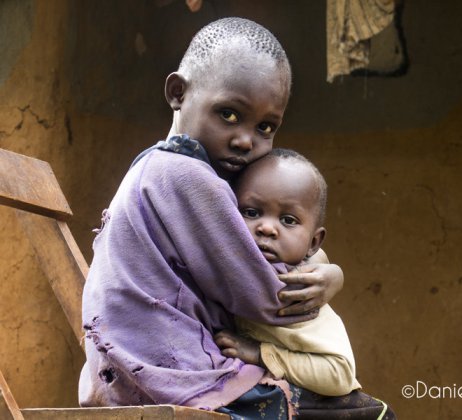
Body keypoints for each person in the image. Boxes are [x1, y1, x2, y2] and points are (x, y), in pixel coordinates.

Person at [79, 17, 344, 416]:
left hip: (127, 372)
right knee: (357, 408)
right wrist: (327, 274)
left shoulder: (153, 167)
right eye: (229, 115)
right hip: (172, 376)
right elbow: (270, 298)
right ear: (178, 93)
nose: (245, 140)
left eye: (266, 127)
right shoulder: (189, 179)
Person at [215, 149, 395, 419]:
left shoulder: (299, 292)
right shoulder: (226, 264)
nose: (266, 228)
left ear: (313, 242)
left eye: (288, 220)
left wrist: (262, 353)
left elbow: (339, 374)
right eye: (251, 212)